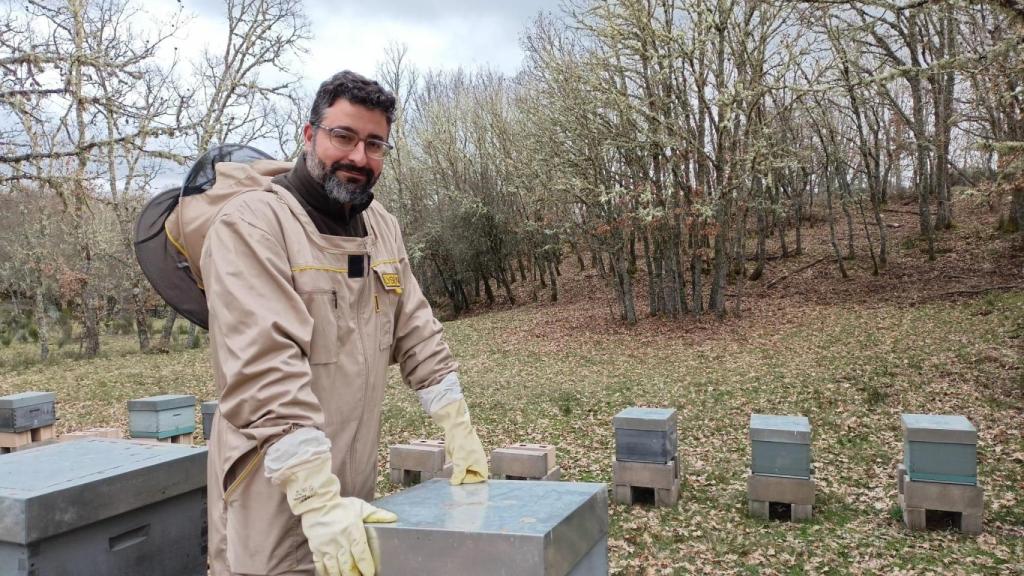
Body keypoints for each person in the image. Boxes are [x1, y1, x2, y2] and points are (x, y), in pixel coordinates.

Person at [181, 71, 488, 576]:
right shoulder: (252, 224)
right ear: (309, 135)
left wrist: (458, 424)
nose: (358, 158)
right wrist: (315, 497)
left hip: (350, 483)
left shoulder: (382, 226)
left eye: (375, 144)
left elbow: (415, 327)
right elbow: (264, 371)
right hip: (271, 485)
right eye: (342, 136)